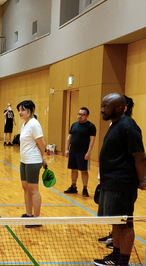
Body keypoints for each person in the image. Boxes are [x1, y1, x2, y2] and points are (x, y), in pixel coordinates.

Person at [93, 93, 146, 266]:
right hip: (111, 183)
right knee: (116, 223)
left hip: (122, 185)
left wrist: (142, 180)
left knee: (125, 225)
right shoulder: (115, 124)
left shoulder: (128, 126)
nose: (102, 109)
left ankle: (123, 262)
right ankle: (115, 257)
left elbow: (139, 157)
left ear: (118, 108)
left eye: (105, 106)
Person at [17, 100, 47, 226]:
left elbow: (42, 144)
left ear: (30, 110)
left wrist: (42, 158)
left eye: (23, 110)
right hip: (24, 160)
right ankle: (29, 214)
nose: (20, 112)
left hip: (33, 161)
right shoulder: (25, 124)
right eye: (19, 110)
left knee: (33, 189)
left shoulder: (34, 124)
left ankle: (37, 218)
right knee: (26, 188)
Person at [63, 107, 96, 197]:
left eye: (82, 114)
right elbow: (69, 137)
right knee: (73, 170)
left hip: (83, 152)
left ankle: (85, 189)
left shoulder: (91, 126)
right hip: (73, 151)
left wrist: (88, 152)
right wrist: (67, 149)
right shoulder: (74, 125)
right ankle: (73, 186)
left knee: (84, 171)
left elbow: (92, 140)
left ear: (87, 116)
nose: (80, 116)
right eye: (79, 114)